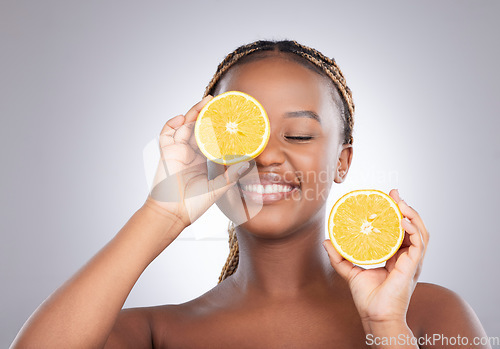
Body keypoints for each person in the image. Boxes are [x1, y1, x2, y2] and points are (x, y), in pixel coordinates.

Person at [11, 40, 491, 349]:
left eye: (299, 136)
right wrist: (163, 211)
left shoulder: (428, 315)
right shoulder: (157, 333)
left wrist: (387, 330)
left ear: (342, 162)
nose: (266, 158)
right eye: (243, 136)